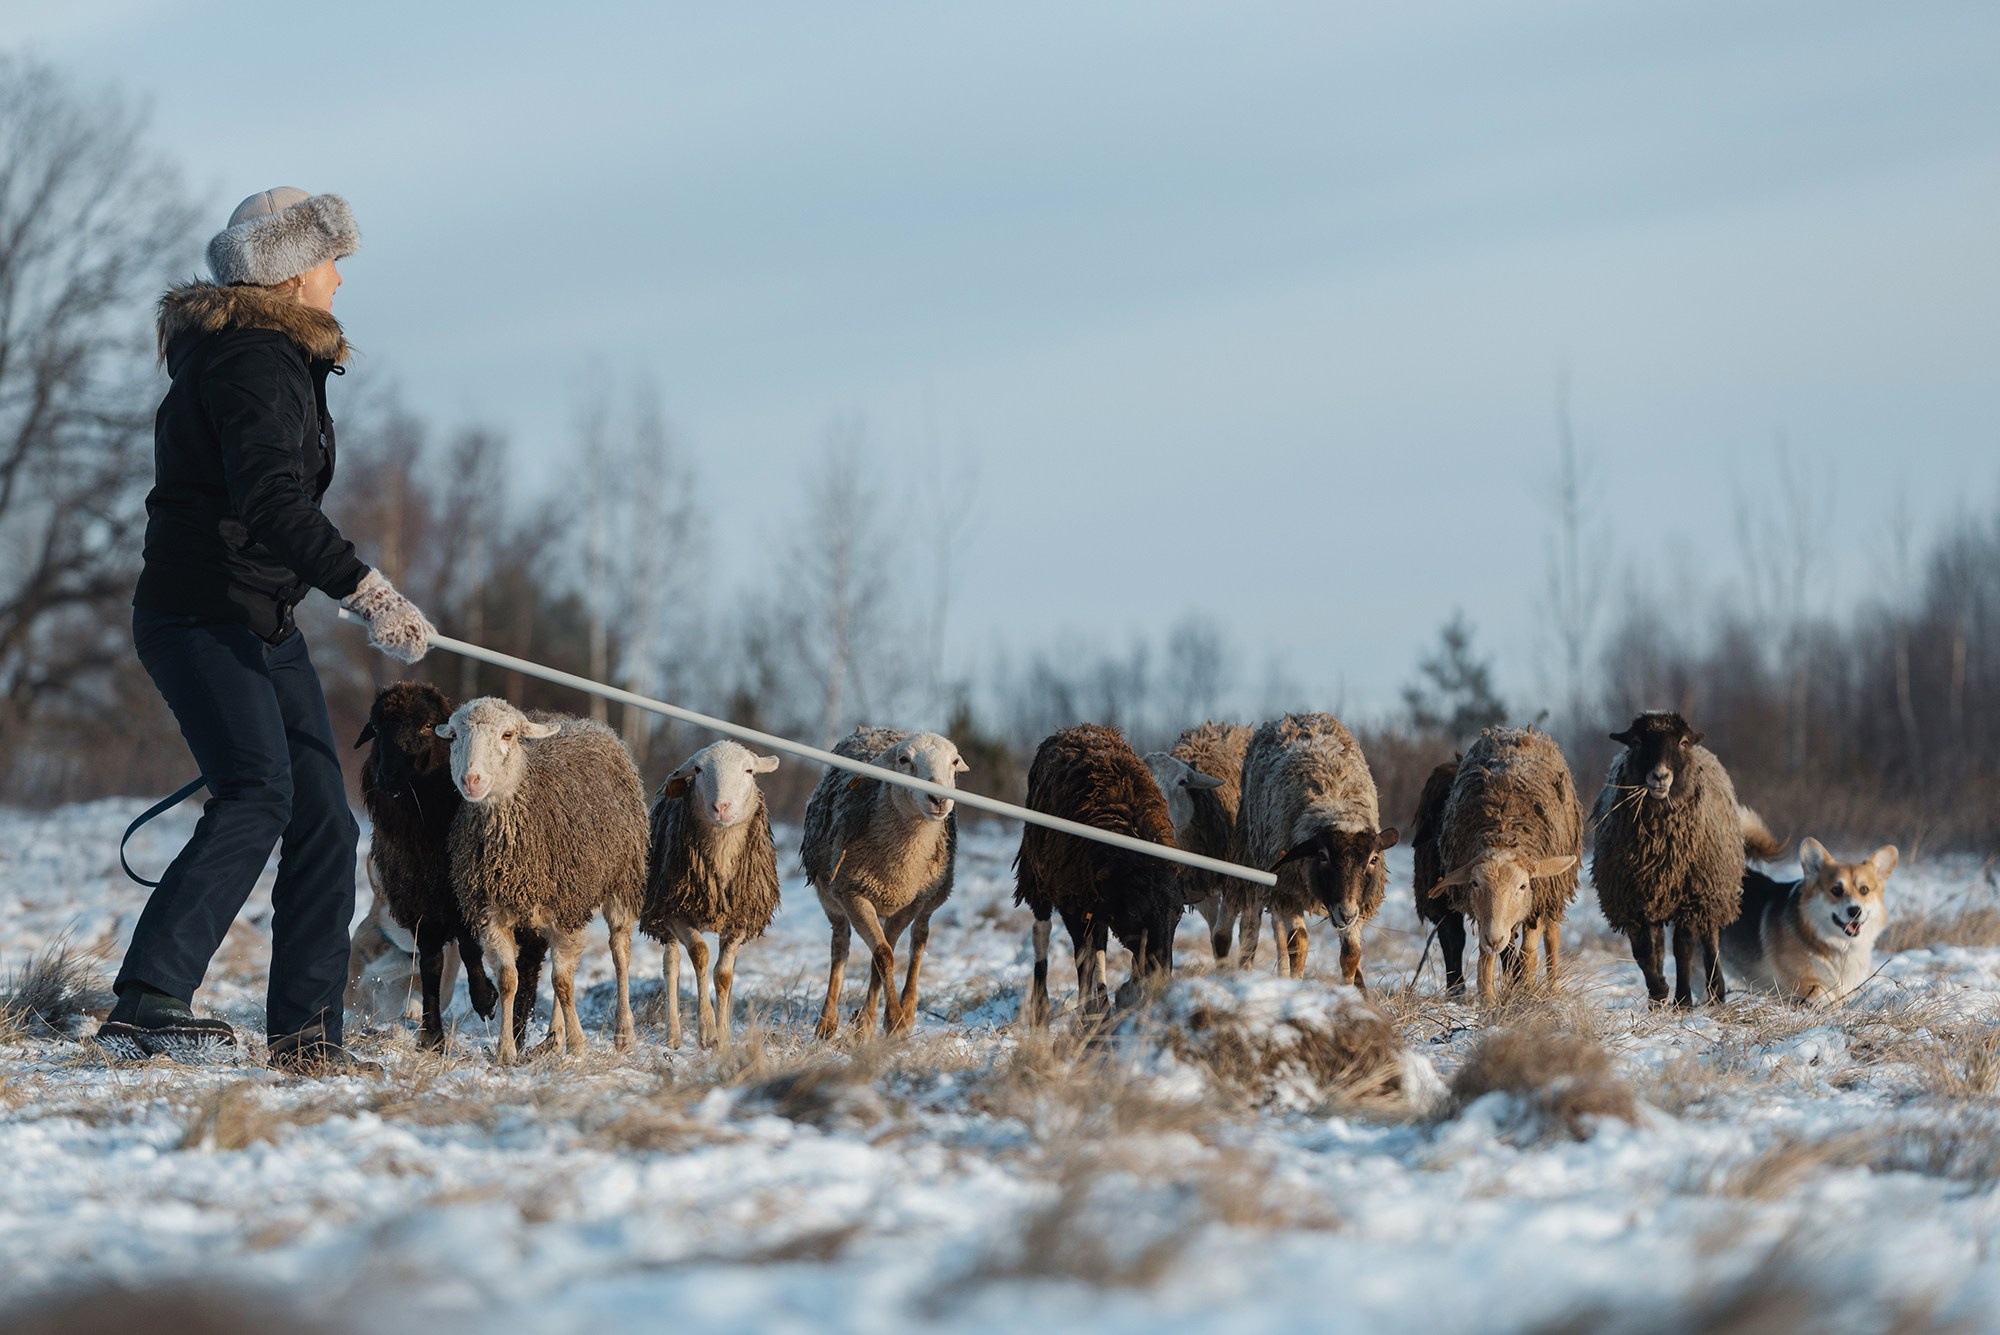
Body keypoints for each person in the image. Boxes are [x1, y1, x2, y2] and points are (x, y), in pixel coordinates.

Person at [94, 188, 435, 1074]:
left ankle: (307, 1035)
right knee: (258, 791)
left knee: (324, 811)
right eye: (328, 259)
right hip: (201, 614)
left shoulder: (272, 355)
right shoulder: (251, 361)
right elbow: (272, 502)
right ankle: (149, 1001)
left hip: (257, 618)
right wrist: (365, 588)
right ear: (287, 273)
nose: (337, 276)